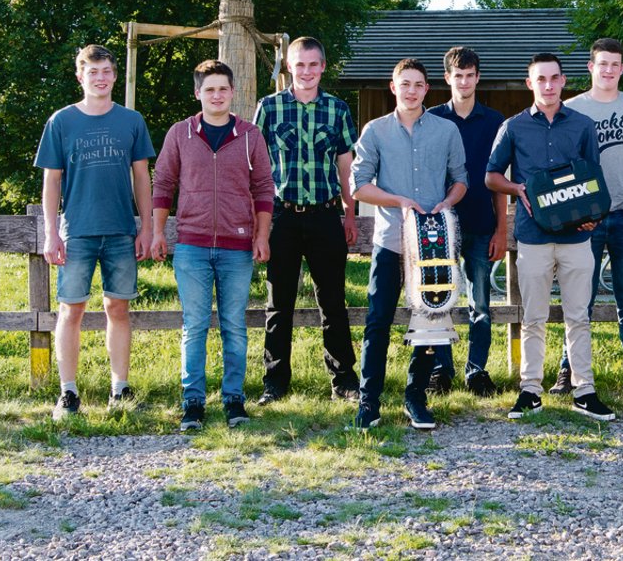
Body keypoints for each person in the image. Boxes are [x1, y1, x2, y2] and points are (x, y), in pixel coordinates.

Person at [486, 53, 615, 422]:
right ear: (530, 83)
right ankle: (530, 390)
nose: (548, 85)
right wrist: (518, 188)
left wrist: (593, 215)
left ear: (563, 82)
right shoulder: (513, 127)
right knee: (534, 318)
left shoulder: (583, 125)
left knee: (579, 315)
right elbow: (491, 176)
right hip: (532, 236)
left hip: (577, 239)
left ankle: (585, 390)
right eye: (540, 79)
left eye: (554, 78)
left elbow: (593, 178)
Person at [150, 60, 274, 431]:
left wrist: (262, 235)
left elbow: (264, 189)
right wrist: (158, 233)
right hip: (191, 245)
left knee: (235, 325)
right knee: (195, 325)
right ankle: (193, 401)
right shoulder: (180, 134)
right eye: (209, 89)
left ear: (232, 92)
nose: (216, 95)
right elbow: (163, 184)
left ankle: (234, 398)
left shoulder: (250, 135)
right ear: (197, 93)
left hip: (237, 246)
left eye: (222, 88)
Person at [35, 44, 155, 420]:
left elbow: (141, 178)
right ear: (80, 77)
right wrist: (51, 233)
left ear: (115, 76)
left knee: (117, 308)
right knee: (70, 310)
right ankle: (68, 393)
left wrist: (146, 227)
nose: (100, 78)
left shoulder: (131, 121)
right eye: (92, 72)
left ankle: (120, 388)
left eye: (106, 71)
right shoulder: (61, 122)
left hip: (120, 230)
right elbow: (51, 182)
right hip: (77, 232)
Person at [351, 59, 468, 430]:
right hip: (391, 240)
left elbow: (461, 180)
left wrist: (447, 203)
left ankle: (415, 397)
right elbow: (359, 185)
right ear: (393, 87)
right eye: (405, 84)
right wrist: (400, 201)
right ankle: (369, 401)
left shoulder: (446, 131)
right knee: (377, 321)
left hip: (433, 245)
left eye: (418, 84)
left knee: (429, 321)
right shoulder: (375, 131)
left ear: (426, 89)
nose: (412, 90)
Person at [551, 38, 623, 396]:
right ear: (591, 67)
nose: (609, 70)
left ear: (622, 68)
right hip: (585, 218)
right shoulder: (570, 109)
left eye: (615, 64)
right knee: (578, 299)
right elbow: (560, 168)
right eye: (602, 63)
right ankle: (568, 371)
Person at [254, 37, 360, 405]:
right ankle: (275, 381)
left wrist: (350, 212)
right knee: (278, 304)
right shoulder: (268, 108)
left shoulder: (337, 109)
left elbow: (347, 166)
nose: (307, 71)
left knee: (332, 301)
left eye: (314, 64)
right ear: (288, 66)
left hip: (325, 214)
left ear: (323, 67)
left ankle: (344, 379)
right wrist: (261, 224)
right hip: (282, 215)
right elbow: (258, 169)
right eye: (300, 64)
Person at [427, 47, 507, 398]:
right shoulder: (431, 119)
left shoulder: (494, 122)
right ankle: (441, 370)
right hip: (439, 226)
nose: (464, 81)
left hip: (479, 224)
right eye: (457, 75)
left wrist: (502, 229)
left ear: (477, 77)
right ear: (447, 78)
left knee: (480, 305)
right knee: (439, 300)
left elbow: (498, 179)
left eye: (470, 75)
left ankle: (476, 370)